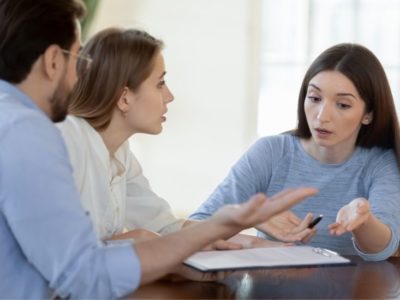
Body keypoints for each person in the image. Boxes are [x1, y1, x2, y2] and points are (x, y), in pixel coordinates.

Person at [0, 0, 318, 298]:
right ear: (54, 60)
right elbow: (82, 272)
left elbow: (161, 227)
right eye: (76, 58)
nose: (78, 75)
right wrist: (211, 231)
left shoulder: (103, 149)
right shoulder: (38, 133)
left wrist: (247, 240)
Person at [56, 27, 282, 249]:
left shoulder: (120, 151)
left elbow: (166, 228)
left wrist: (250, 240)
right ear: (124, 98)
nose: (169, 96)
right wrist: (135, 241)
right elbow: (59, 253)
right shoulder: (67, 141)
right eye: (160, 83)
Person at [190, 43, 400, 261]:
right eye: (315, 98)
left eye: (343, 105)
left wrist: (363, 221)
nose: (322, 116)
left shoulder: (380, 163)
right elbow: (194, 229)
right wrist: (251, 221)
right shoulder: (271, 152)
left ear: (368, 114)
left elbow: (382, 250)